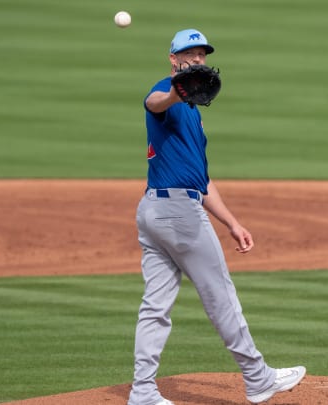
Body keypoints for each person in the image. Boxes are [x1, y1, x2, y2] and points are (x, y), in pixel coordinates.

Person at [127, 28, 306, 405]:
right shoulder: (166, 91)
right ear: (173, 59)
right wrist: (177, 91)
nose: (197, 60)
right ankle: (258, 379)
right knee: (220, 295)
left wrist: (232, 222)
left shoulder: (193, 114)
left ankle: (143, 391)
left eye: (202, 55)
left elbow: (201, 181)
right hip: (177, 215)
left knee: (155, 306)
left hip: (155, 212)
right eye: (188, 54)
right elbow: (154, 102)